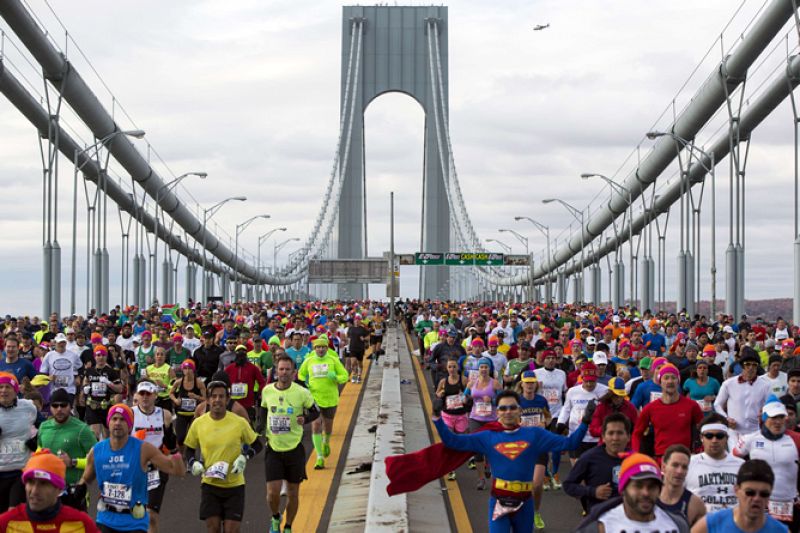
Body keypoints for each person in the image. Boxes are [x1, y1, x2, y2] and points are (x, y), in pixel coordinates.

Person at [432, 389, 595, 533]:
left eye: (512, 407)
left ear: (520, 410)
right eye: (503, 408)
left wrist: (585, 422)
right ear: (497, 412)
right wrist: (437, 417)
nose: (508, 411)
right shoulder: (487, 436)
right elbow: (453, 441)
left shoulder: (536, 435)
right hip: (498, 502)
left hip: (525, 503)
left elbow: (570, 443)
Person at [74, 403, 185, 533]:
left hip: (134, 523)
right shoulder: (97, 450)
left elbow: (178, 471)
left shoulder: (144, 449)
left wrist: (173, 450)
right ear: (108, 423)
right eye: (114, 419)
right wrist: (77, 492)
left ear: (130, 425)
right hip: (105, 519)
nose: (117, 423)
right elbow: (86, 478)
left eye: (122, 419)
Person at [185, 379, 263, 533]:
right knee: (213, 528)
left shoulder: (239, 422)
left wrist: (244, 457)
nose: (217, 400)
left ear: (227, 400)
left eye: (221, 397)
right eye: (213, 396)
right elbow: (189, 449)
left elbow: (257, 444)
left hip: (234, 485)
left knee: (231, 530)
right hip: (210, 484)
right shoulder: (199, 423)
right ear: (207, 400)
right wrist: (193, 462)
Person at [261, 356, 318, 533]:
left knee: (293, 493)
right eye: (281, 369)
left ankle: (288, 526)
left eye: (287, 370)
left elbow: (315, 411)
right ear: (276, 371)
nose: (284, 373)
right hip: (274, 449)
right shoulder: (268, 391)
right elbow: (263, 410)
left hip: (294, 450)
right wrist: (261, 428)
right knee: (272, 493)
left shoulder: (302, 392)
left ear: (293, 373)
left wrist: (305, 418)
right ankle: (276, 517)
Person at [576, 453, 689, 532]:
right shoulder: (601, 527)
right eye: (638, 486)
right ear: (623, 489)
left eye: (652, 487)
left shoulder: (677, 524)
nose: (645, 492)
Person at [734, 397, 800, 530]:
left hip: (789, 504)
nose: (777, 422)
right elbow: (732, 461)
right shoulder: (749, 439)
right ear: (764, 418)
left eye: (781, 417)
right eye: (773, 417)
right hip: (760, 502)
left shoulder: (796, 439)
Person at [0, 450, 99, 532]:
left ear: (59, 489)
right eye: (30, 482)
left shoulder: (82, 524)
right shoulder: (6, 523)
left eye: (43, 484)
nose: (34, 491)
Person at [37, 388, 97, 511]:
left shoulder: (82, 429)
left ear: (70, 406)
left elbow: (97, 460)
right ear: (50, 407)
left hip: (73, 492)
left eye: (63, 405)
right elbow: (38, 453)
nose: (59, 409)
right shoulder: (43, 427)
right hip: (48, 490)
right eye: (55, 405)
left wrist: (72, 462)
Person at [690, 459, 788, 533]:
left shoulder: (780, 531)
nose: (757, 498)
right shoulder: (711, 524)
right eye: (750, 492)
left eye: (764, 494)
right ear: (737, 490)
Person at [132, 380, 178, 533]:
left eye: (148, 394)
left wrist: (170, 440)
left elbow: (172, 445)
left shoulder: (164, 414)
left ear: (155, 396)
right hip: (135, 468)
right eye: (142, 394)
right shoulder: (129, 414)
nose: (145, 397)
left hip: (157, 468)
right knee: (134, 513)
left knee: (151, 515)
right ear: (137, 396)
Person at [633, 364, 703, 463]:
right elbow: (637, 433)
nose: (670, 381)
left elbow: (704, 429)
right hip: (661, 460)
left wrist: (701, 451)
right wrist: (636, 454)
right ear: (660, 382)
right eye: (666, 378)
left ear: (678, 381)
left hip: (685, 459)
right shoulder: (650, 408)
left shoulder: (692, 406)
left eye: (673, 378)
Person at [297, 337, 348, 469]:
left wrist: (336, 378)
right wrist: (305, 385)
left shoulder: (333, 360)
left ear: (327, 348)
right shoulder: (309, 360)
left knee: (328, 426)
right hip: (314, 399)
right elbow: (300, 375)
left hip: (330, 398)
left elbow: (345, 376)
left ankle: (326, 441)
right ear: (314, 349)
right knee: (316, 426)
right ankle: (319, 457)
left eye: (323, 347)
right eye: (318, 347)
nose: (320, 349)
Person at [564, 412, 631, 513]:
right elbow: (568, 485)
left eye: (620, 433)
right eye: (611, 433)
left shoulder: (637, 459)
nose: (615, 438)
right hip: (599, 520)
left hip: (629, 521)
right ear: (603, 437)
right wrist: (592, 492)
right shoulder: (589, 458)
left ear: (628, 436)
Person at [685, 414, 743, 513]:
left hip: (733, 524)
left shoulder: (741, 465)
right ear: (701, 438)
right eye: (709, 436)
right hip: (700, 524)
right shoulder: (689, 464)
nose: (714, 440)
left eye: (719, 436)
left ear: (727, 438)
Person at [0, 372, 39, 511]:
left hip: (20, 471)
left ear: (15, 389)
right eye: (1, 387)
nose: (3, 390)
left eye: (7, 387)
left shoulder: (28, 407)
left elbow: (45, 427)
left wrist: (36, 443)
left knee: (14, 514)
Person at [714, 350, 771, 442]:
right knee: (735, 456)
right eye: (747, 364)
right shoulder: (728, 384)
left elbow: (769, 407)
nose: (751, 368)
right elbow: (717, 404)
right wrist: (726, 419)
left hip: (756, 432)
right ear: (741, 366)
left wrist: (763, 416)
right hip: (734, 432)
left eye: (754, 365)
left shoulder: (765, 385)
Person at [558, 362, 608, 465]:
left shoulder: (605, 391)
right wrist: (561, 422)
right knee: (577, 469)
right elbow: (566, 409)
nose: (589, 384)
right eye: (587, 381)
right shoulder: (572, 391)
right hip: (576, 434)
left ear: (597, 378)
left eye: (592, 381)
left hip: (595, 437)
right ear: (582, 378)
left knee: (594, 469)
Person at [465, 357, 503, 489]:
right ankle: (480, 478)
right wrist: (466, 398)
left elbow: (502, 401)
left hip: (491, 420)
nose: (484, 369)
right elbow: (464, 398)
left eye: (486, 367)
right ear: (478, 368)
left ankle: (488, 466)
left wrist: (492, 401)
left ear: (489, 368)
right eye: (481, 367)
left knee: (491, 448)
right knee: (477, 450)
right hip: (475, 418)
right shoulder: (471, 384)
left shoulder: (495, 384)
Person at [435, 357, 469, 481]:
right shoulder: (443, 381)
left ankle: (468, 457)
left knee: (460, 441)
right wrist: (440, 394)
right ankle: (451, 470)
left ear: (458, 368)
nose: (452, 369)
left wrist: (465, 396)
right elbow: (437, 393)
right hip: (447, 414)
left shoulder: (464, 380)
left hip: (461, 415)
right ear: (447, 368)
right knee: (449, 441)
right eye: (450, 367)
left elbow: (470, 395)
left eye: (454, 366)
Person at [83, 344, 124, 439]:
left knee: (107, 436)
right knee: (94, 434)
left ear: (106, 356)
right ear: (94, 357)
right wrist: (85, 388)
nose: (101, 358)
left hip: (107, 406)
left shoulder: (112, 372)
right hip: (92, 406)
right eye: (98, 355)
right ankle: (96, 452)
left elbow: (120, 389)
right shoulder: (89, 371)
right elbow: (85, 382)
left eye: (103, 355)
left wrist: (109, 383)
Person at [659, 444, 707, 527]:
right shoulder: (648, 497)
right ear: (663, 467)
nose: (680, 471)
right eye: (675, 465)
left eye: (684, 467)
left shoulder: (696, 504)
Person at [168, 359, 206, 450]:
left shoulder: (199, 383)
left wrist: (196, 396)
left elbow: (205, 399)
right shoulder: (179, 382)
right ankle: (181, 455)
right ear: (182, 370)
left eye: (189, 368)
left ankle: (190, 455)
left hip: (194, 415)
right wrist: (176, 400)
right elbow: (171, 393)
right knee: (180, 438)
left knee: (192, 438)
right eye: (185, 368)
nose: (187, 371)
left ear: (193, 370)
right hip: (181, 414)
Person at [224, 345, 266, 421]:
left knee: (248, 424)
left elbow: (262, 382)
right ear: (235, 354)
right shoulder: (229, 368)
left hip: (248, 403)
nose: (241, 353)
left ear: (246, 354)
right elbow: (222, 381)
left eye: (243, 351)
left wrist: (257, 393)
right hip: (232, 403)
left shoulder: (253, 368)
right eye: (239, 351)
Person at [589, 377, 638, 441]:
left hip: (625, 446)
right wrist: (609, 429)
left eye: (621, 395)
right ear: (610, 393)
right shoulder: (600, 408)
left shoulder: (630, 407)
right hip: (605, 446)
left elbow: (637, 429)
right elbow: (593, 431)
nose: (619, 398)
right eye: (616, 395)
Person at [346, 314, 370, 383]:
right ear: (354, 321)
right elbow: (348, 338)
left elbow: (368, 337)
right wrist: (347, 345)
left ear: (360, 321)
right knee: (353, 362)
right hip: (352, 348)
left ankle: (359, 375)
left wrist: (364, 338)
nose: (357, 321)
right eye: (356, 320)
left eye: (358, 320)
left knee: (360, 363)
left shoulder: (362, 329)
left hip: (360, 348)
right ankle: (354, 374)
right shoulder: (350, 328)